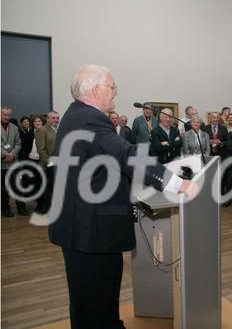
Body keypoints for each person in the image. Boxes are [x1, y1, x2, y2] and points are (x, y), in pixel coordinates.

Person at [48, 64, 197, 328]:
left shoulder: (75, 115)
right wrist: (177, 183)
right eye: (112, 86)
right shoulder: (89, 119)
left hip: (82, 225)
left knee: (91, 299)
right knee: (94, 298)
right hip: (90, 230)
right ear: (94, 90)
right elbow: (126, 155)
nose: (116, 92)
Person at [1, 107, 24, 217]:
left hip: (14, 162)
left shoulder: (14, 127)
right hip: (2, 163)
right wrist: (5, 154)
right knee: (3, 189)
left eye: (9, 115)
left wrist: (12, 154)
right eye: (5, 114)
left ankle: (21, 208)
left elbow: (18, 143)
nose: (7, 117)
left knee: (18, 187)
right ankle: (5, 209)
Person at [36, 111, 59, 214]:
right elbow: (41, 150)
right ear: (47, 119)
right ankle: (48, 210)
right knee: (49, 189)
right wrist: (49, 163)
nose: (56, 120)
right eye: (53, 118)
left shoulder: (58, 129)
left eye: (57, 118)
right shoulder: (42, 130)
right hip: (49, 165)